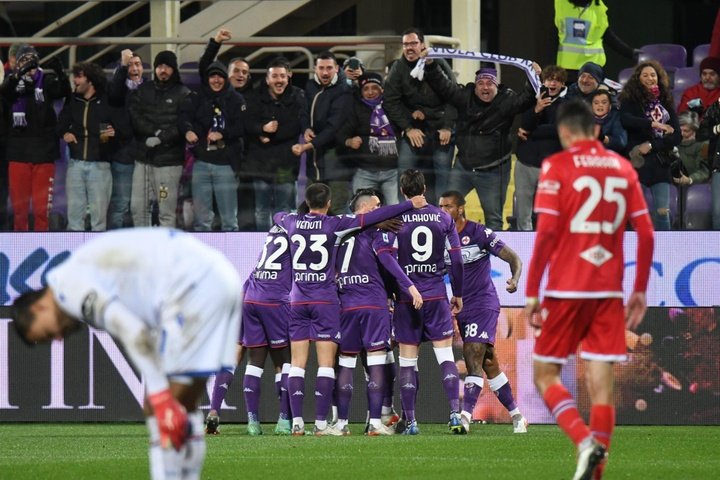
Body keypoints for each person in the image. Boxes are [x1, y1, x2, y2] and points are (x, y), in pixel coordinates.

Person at [11, 228, 241, 480]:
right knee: (184, 406)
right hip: (221, 277)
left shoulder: (69, 288)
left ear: (39, 306)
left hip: (193, 289)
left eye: (47, 334)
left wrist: (159, 394)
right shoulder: (79, 271)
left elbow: (133, 331)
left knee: (157, 406)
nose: (57, 338)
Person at [524, 100, 654, 480]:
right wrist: (640, 290)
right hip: (608, 294)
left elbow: (546, 233)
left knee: (544, 375)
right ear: (596, 131)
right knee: (602, 388)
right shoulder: (623, 167)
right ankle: (597, 473)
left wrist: (533, 291)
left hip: (566, 289)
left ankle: (584, 442)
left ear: (564, 133)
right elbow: (646, 233)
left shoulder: (557, 166)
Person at [272, 182, 427, 436]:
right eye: (377, 207)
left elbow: (277, 216)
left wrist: (300, 215)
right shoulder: (340, 226)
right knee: (358, 361)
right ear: (330, 203)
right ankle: (370, 421)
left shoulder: (294, 222)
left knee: (326, 363)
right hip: (349, 302)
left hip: (318, 302)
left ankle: (323, 422)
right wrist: (408, 205)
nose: (381, 210)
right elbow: (378, 235)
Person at [334, 188, 423, 436]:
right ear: (364, 209)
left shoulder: (338, 230)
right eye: (376, 207)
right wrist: (408, 287)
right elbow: (387, 262)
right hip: (373, 304)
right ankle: (376, 421)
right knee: (377, 363)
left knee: (346, 363)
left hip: (346, 305)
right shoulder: (375, 232)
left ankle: (340, 423)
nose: (379, 211)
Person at [438, 190, 527, 434]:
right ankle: (517, 415)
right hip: (459, 306)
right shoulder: (438, 237)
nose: (443, 211)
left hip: (482, 303)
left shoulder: (478, 233)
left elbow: (514, 258)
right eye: (440, 206)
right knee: (488, 361)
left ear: (460, 209)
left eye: (448, 206)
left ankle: (464, 416)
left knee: (472, 353)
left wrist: (514, 280)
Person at [422, 58, 539, 230]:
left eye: (490, 83)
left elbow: (527, 98)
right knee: (447, 210)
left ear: (497, 86)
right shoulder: (464, 96)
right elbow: (444, 87)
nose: (485, 87)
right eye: (481, 83)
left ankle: (495, 256)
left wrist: (532, 75)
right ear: (475, 86)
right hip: (464, 167)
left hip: (494, 171)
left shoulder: (507, 100)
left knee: (493, 220)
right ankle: (454, 247)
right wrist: (431, 65)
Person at [391, 169, 464, 435]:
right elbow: (456, 259)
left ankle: (411, 421)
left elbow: (387, 260)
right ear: (424, 187)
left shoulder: (396, 218)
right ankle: (455, 415)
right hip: (435, 294)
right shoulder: (443, 217)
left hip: (407, 297)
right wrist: (457, 292)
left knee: (408, 361)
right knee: (445, 356)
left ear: (403, 191)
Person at [210, 222, 293, 436]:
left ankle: (246, 420)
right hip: (273, 301)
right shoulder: (299, 234)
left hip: (248, 294)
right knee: (282, 362)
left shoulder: (273, 234)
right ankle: (284, 420)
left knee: (243, 356)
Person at [384, 27, 457, 204]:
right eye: (405, 44)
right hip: (414, 131)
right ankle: (405, 219)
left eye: (413, 43)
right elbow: (390, 101)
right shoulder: (398, 68)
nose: (409, 48)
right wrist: (408, 128)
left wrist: (447, 126)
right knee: (405, 176)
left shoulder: (437, 62)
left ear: (422, 45)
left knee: (443, 181)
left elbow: (454, 96)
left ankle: (442, 221)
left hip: (441, 131)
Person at [1, 45, 70, 232]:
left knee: (41, 211)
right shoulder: (11, 83)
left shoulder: (46, 82)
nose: (30, 64)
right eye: (25, 60)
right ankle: (19, 250)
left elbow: (64, 91)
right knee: (19, 211)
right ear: (18, 63)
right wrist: (19, 75)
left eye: (33, 59)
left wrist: (61, 74)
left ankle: (42, 248)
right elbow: (5, 93)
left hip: (44, 154)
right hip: (18, 154)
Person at [198, 28, 256, 231]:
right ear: (226, 73)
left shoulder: (253, 96)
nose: (241, 75)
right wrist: (216, 42)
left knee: (238, 213)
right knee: (209, 214)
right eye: (237, 71)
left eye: (245, 72)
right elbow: (205, 66)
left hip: (241, 161)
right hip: (213, 160)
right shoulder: (211, 92)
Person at [244, 57, 308, 231]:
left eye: (282, 76)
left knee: (285, 210)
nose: (279, 80)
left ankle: (285, 244)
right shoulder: (255, 96)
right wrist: (261, 128)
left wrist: (268, 134)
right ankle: (264, 245)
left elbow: (296, 127)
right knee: (261, 211)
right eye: (275, 76)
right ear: (267, 79)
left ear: (288, 77)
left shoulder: (299, 97)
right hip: (260, 164)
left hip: (285, 165)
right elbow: (246, 123)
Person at [179, 61, 244, 231]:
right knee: (201, 221)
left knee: (229, 220)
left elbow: (242, 127)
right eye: (212, 76)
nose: (216, 80)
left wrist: (223, 134)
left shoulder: (235, 99)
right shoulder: (198, 97)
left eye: (220, 77)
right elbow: (183, 117)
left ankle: (234, 256)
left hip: (225, 164)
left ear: (226, 79)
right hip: (201, 162)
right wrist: (187, 131)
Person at [128, 50, 190, 228]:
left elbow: (183, 123)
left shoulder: (183, 93)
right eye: (160, 66)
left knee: (166, 212)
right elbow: (135, 115)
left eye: (167, 67)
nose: (163, 70)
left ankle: (165, 253)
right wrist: (155, 132)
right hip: (143, 160)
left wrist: (162, 138)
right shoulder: (143, 90)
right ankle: (144, 251)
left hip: (169, 163)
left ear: (174, 69)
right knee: (138, 209)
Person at [619, 60, 681, 231]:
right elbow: (626, 120)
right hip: (637, 161)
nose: (649, 78)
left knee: (662, 211)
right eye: (645, 75)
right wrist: (653, 124)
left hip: (660, 162)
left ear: (658, 78)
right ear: (638, 79)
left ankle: (666, 251)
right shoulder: (630, 99)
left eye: (653, 75)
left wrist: (652, 144)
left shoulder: (666, 101)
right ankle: (632, 249)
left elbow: (676, 136)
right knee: (635, 211)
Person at [57, 62, 115, 231]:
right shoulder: (73, 100)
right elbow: (60, 124)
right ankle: (74, 253)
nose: (75, 80)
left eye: (79, 76)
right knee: (74, 217)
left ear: (90, 80)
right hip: (75, 164)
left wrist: (107, 139)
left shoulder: (105, 101)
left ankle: (97, 255)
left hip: (99, 165)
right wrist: (65, 134)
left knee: (99, 219)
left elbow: (110, 127)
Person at [293, 51, 352, 215]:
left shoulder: (344, 91)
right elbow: (304, 112)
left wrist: (308, 146)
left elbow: (334, 127)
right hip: (315, 160)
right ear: (315, 69)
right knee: (311, 209)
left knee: (337, 209)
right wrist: (306, 128)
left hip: (336, 160)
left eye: (329, 68)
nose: (325, 72)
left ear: (337, 68)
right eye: (321, 68)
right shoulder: (310, 85)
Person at [516, 65, 568, 231]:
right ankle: (525, 248)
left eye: (557, 80)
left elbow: (559, 130)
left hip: (552, 167)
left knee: (550, 210)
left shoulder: (568, 103)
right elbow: (522, 125)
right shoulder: (534, 99)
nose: (552, 83)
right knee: (523, 213)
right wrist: (537, 109)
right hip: (526, 164)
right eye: (549, 79)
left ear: (562, 84)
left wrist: (531, 132)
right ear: (543, 82)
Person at [336, 72, 400, 206]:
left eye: (374, 87)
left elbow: (404, 122)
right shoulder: (355, 108)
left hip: (392, 172)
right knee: (362, 211)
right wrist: (349, 141)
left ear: (382, 89)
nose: (370, 92)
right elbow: (341, 134)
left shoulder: (392, 106)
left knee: (396, 211)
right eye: (366, 88)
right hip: (365, 172)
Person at [107, 49, 145, 229]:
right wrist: (122, 65)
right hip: (123, 157)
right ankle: (115, 247)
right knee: (120, 205)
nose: (134, 68)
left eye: (137, 64)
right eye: (130, 65)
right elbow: (114, 92)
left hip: (147, 159)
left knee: (143, 207)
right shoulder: (118, 91)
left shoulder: (150, 89)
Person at [554, 0, 636, 82]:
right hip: (568, 70)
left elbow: (607, 35)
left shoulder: (598, 6)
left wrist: (631, 53)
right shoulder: (561, 2)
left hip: (593, 70)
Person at [698, 97, 720, 229]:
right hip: (718, 166)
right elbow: (701, 134)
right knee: (718, 212)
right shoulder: (714, 109)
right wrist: (717, 129)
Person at [674, 111, 709, 188]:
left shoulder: (705, 145)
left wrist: (690, 179)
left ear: (694, 130)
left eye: (686, 131)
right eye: (680, 130)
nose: (681, 133)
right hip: (674, 184)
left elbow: (705, 171)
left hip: (696, 185)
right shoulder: (672, 142)